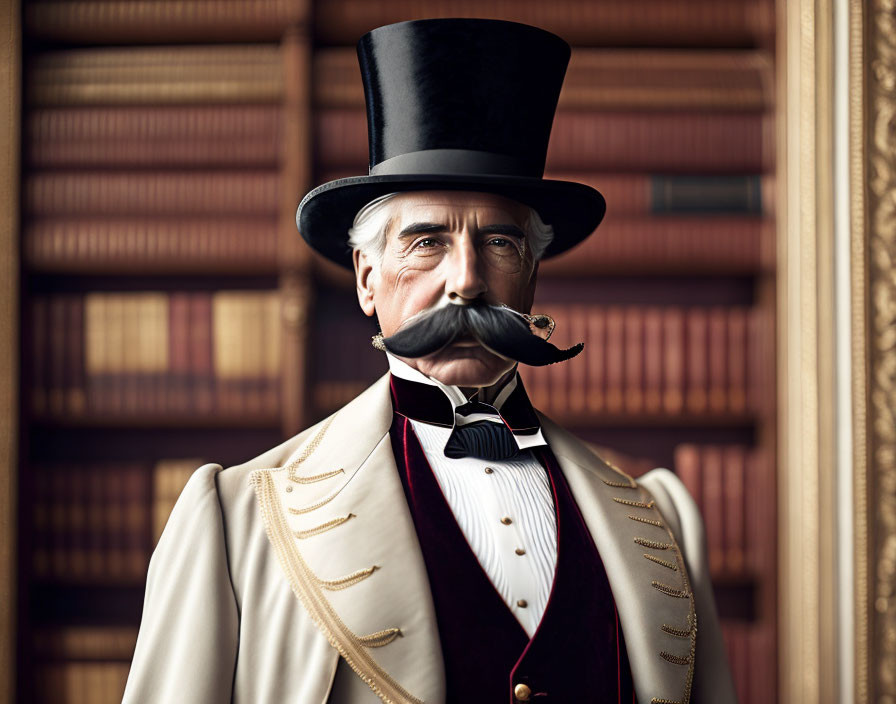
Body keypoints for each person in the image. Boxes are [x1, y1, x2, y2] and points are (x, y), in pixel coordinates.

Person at [122, 18, 737, 704]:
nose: (465, 280)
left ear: (532, 273)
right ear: (365, 277)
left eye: (499, 242)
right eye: (426, 241)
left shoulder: (661, 521)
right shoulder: (236, 522)